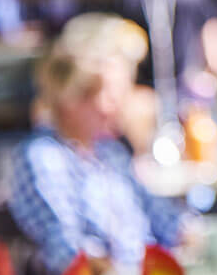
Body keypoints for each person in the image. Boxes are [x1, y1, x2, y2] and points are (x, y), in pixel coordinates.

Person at [10, 14, 193, 274]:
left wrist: (194, 235)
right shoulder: (43, 157)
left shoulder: (110, 152)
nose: (119, 106)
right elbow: (66, 251)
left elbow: (165, 221)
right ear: (71, 99)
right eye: (109, 95)